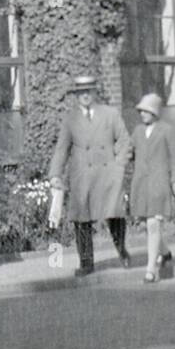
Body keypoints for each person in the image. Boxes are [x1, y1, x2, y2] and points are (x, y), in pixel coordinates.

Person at [49, 75, 131, 277]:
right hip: (82, 175)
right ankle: (86, 262)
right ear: (76, 95)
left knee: (115, 214)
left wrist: (119, 166)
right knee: (82, 219)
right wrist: (55, 174)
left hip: (107, 173)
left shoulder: (110, 114)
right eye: (81, 92)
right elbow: (62, 149)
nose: (85, 95)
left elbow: (124, 141)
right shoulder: (70, 119)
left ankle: (122, 251)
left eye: (89, 91)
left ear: (95, 92)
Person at [128, 93, 175, 283]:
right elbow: (129, 152)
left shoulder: (167, 130)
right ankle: (165, 253)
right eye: (141, 110)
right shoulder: (137, 131)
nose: (143, 113)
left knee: (153, 224)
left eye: (147, 110)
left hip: (159, 184)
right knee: (148, 225)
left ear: (155, 112)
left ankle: (150, 269)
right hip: (141, 185)